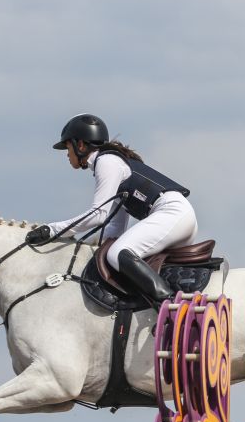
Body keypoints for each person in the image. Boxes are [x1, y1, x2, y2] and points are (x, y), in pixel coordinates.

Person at [25, 114, 198, 307]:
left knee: (118, 253)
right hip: (177, 218)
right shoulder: (112, 164)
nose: (67, 154)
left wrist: (53, 230)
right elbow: (115, 226)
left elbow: (98, 215)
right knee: (115, 253)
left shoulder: (106, 162)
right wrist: (92, 249)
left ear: (80, 145)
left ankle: (171, 305)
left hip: (171, 214)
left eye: (67, 147)